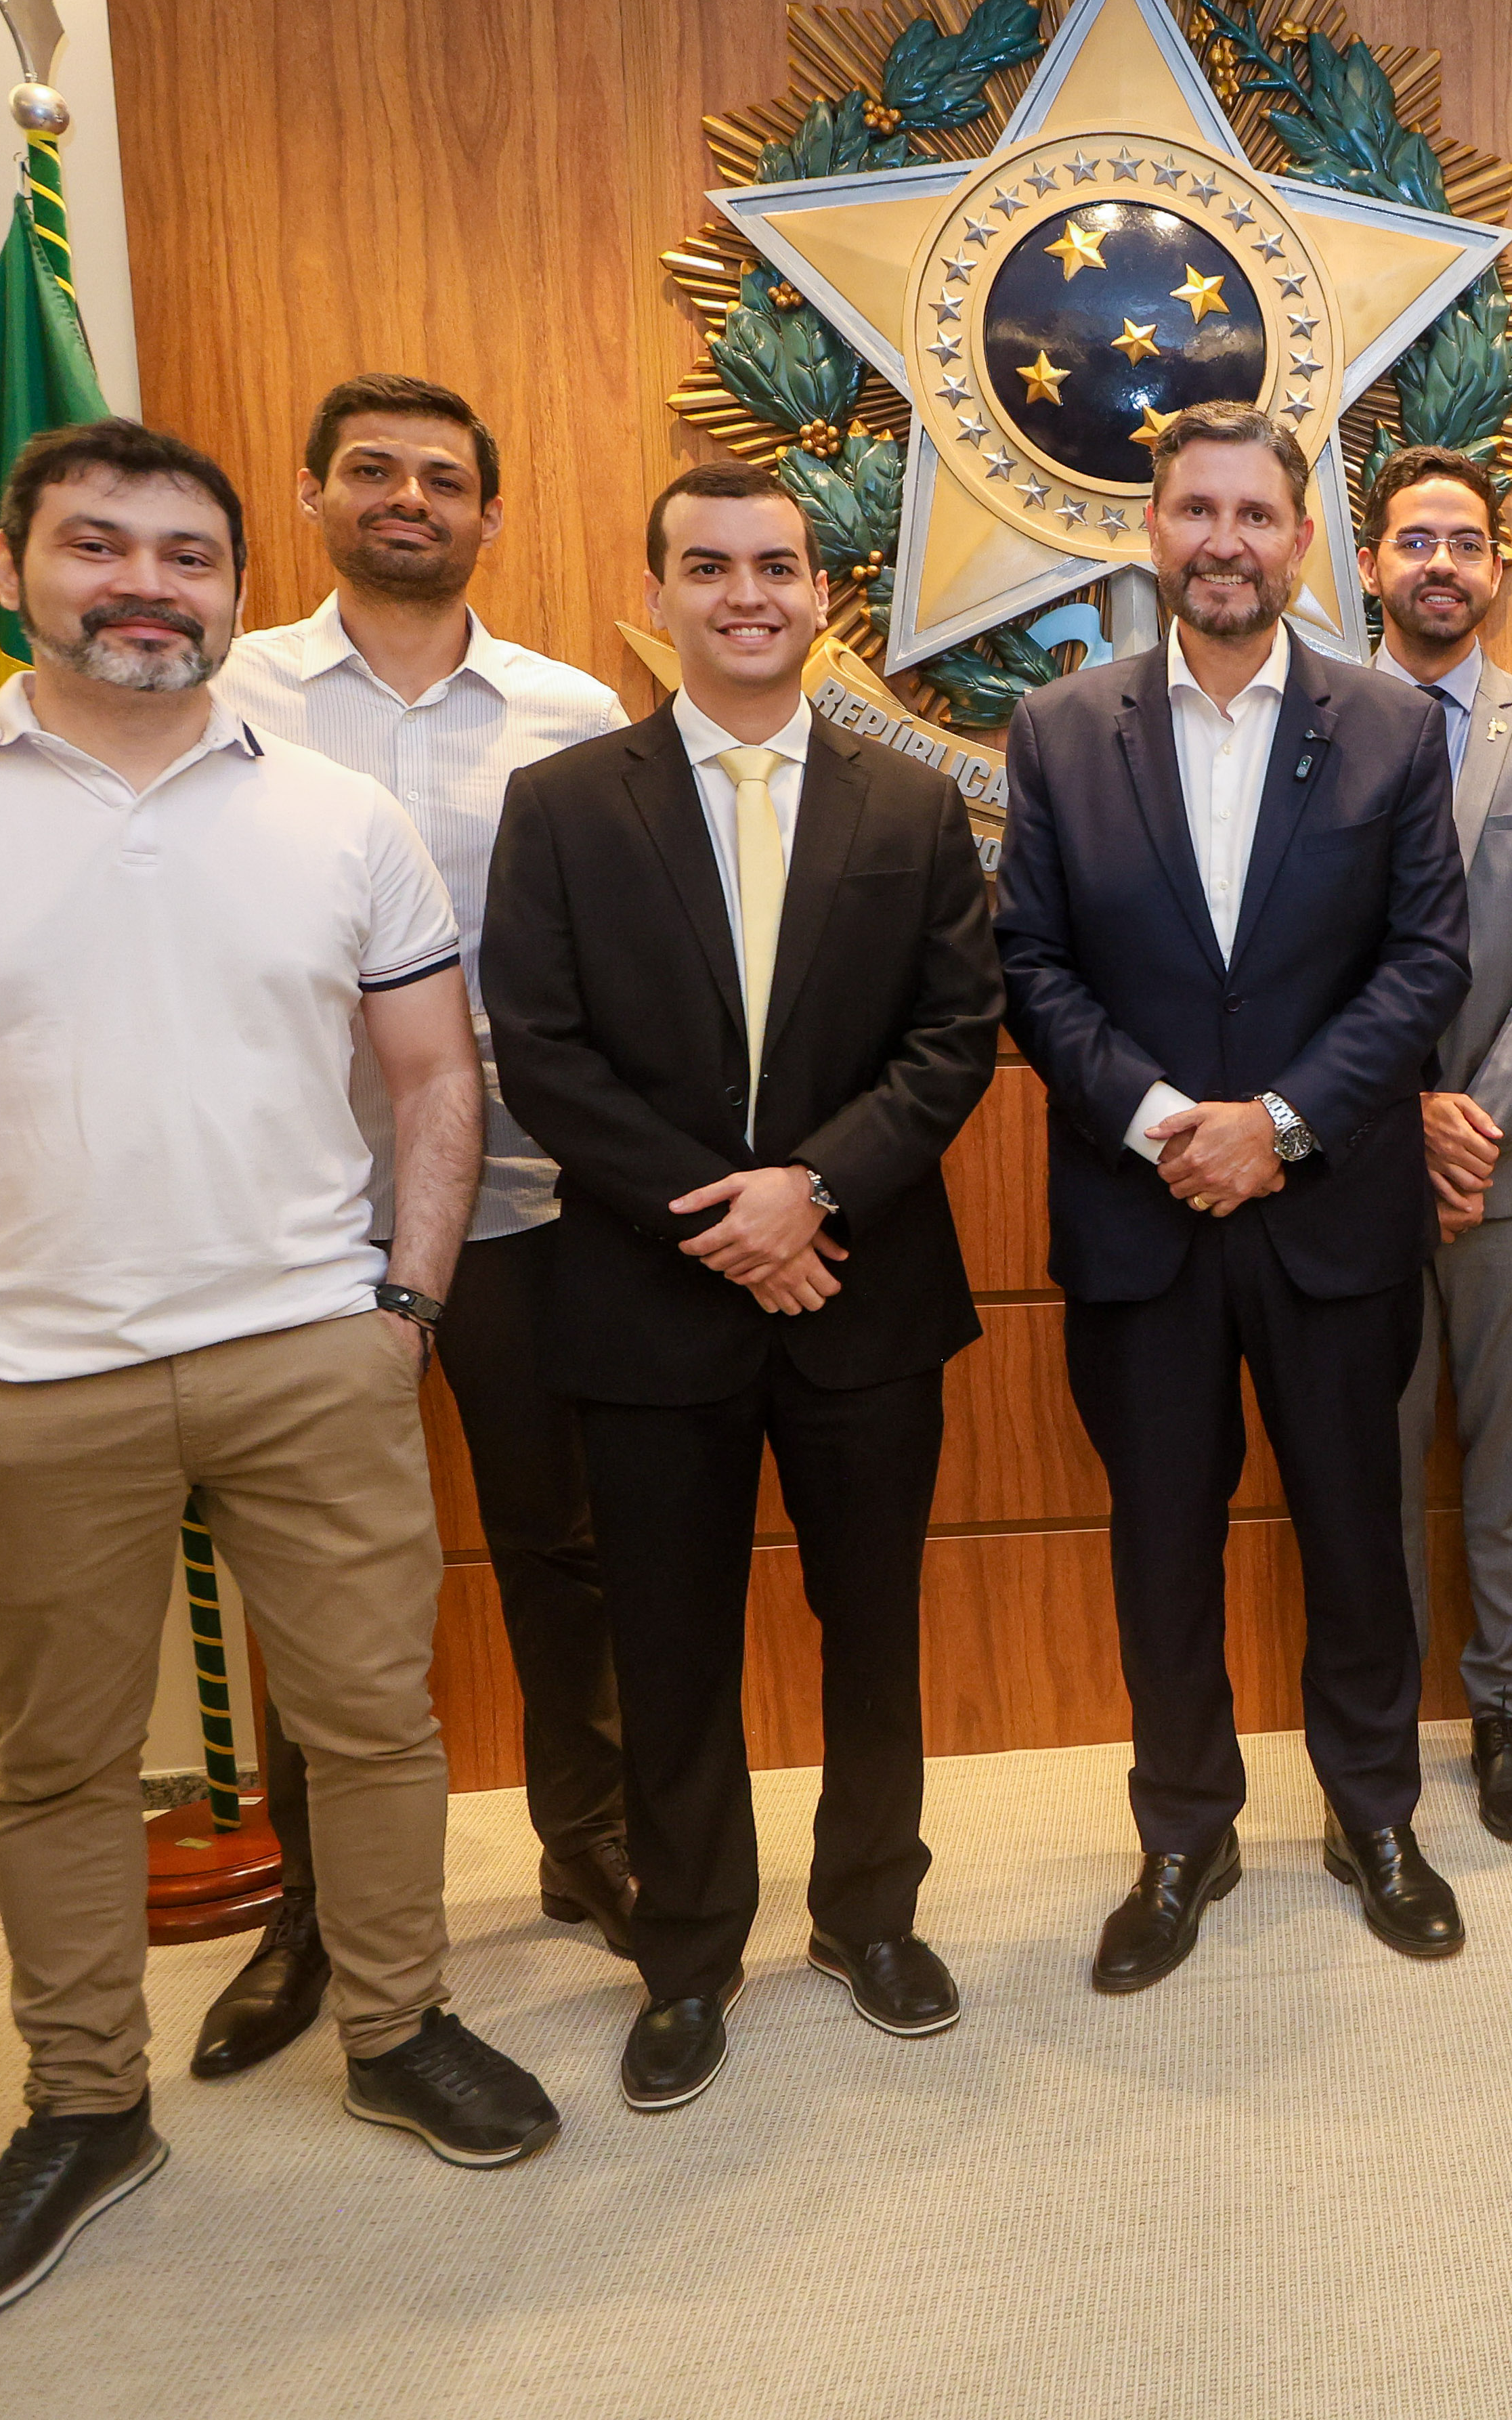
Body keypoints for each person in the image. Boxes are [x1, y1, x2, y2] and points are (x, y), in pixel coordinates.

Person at [0, 418, 557, 2339]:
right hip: (24, 1385)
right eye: (98, 545)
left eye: (186, 554)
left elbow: (437, 1076)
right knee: (62, 1766)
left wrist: (406, 1302)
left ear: (237, 586)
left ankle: (399, 2026)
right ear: (16, 566)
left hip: (313, 1355)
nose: (145, 585)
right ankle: (86, 2105)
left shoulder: (336, 819)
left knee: (376, 1728)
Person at [485, 461, 1003, 2112]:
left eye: (775, 565)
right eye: (707, 567)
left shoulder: (909, 805)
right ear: (660, 593)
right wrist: (722, 1216)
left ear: (820, 591)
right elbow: (541, 1051)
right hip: (650, 1295)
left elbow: (955, 1035)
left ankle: (870, 1915)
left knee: (874, 1628)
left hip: (865, 1287)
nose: (746, 594)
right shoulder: (566, 803)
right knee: (671, 1642)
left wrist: (811, 1192)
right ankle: (690, 1949)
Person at [992, 403, 1474, 1991]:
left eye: (1256, 515)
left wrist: (1278, 1123)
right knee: (1161, 1545)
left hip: (1331, 1212)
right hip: (1141, 1219)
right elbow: (1030, 963)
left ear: (1302, 542)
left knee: (1356, 1532)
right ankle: (1184, 1833)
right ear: (1153, 530)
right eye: (1196, 510)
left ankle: (1373, 1815)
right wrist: (1160, 1123)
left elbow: (1425, 965)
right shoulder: (1061, 729)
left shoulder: (1391, 727)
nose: (1224, 541)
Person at [199, 373, 636, 2081]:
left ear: (488, 516)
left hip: (526, 1196)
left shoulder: (569, 709)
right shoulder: (225, 692)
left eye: (442, 480)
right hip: (297, 1214)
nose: (408, 499)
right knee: (312, 1573)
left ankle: (589, 1842)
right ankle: (314, 1907)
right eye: (371, 471)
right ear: (311, 495)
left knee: (562, 1540)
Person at [1360, 444, 1512, 1844]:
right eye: (1416, 541)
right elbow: (1293, 951)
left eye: (1465, 541)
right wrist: (1399, 1108)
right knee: (1374, 1460)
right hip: (1353, 1154)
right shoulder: (1315, 722)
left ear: (1498, 569)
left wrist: (1473, 1127)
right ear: (1372, 564)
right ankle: (1381, 1723)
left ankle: (1509, 1712)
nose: (1442, 564)